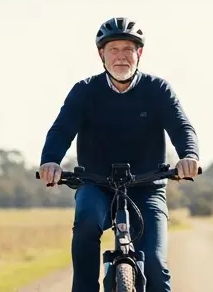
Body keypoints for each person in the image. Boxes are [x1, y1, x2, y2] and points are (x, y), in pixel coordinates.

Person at [38, 16, 200, 292]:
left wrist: (189, 155)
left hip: (147, 187)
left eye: (128, 49)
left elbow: (181, 125)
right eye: (114, 49)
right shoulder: (85, 91)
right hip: (96, 184)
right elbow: (61, 129)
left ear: (139, 54)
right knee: (87, 220)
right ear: (102, 54)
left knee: (156, 269)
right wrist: (50, 161)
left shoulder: (158, 90)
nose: (121, 57)